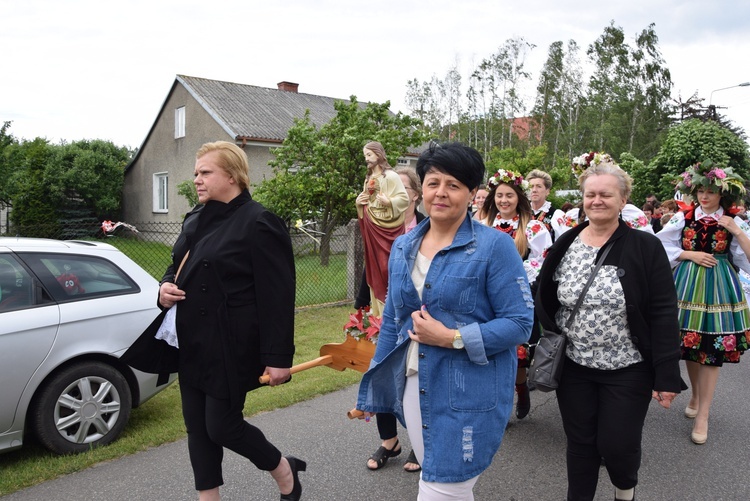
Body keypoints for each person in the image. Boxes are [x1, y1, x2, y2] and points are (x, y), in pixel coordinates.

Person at [123, 141, 305, 501]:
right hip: (191, 340)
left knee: (222, 426)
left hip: (231, 343)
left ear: (233, 175)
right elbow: (176, 267)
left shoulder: (259, 221)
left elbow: (278, 296)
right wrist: (163, 288)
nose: (197, 180)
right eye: (196, 173)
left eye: (205, 172)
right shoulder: (195, 217)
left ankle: (283, 468)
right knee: (197, 428)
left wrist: (278, 356)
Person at [356, 142, 534, 500]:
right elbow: (393, 317)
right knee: (440, 481)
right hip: (414, 384)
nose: (441, 192)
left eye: (453, 185)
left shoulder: (494, 247)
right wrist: (374, 381)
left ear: (471, 194)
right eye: (433, 182)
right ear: (421, 189)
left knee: (442, 486)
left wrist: (452, 337)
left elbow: (519, 323)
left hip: (467, 389)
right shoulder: (404, 246)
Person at [535, 154, 683, 501]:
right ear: (582, 199)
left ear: (623, 200)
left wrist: (665, 374)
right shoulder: (565, 243)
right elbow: (545, 295)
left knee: (617, 446)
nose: (597, 201)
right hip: (573, 366)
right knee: (581, 442)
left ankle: (624, 488)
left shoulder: (645, 247)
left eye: (606, 195)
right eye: (591, 194)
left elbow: (663, 310)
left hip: (628, 366)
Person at [656, 161, 750, 446]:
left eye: (711, 191)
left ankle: (703, 415)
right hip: (685, 284)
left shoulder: (732, 221)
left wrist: (736, 230)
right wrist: (688, 255)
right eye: (700, 191)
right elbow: (659, 245)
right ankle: (696, 395)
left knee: (712, 347)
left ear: (722, 194)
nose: (704, 196)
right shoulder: (683, 218)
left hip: (719, 285)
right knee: (690, 345)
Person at [365, 166, 425, 473]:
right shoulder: (376, 225)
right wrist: (363, 307)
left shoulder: (427, 230)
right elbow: (370, 263)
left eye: (398, 188)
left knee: (417, 381)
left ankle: (419, 442)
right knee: (380, 375)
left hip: (418, 321)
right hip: (385, 313)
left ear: (414, 194)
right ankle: (390, 441)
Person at [479, 168, 552, 419]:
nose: (503, 201)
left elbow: (543, 258)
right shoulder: (483, 225)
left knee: (517, 352)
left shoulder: (532, 227)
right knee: (489, 349)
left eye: (509, 195)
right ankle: (500, 406)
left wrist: (512, 272)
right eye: (499, 195)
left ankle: (521, 389)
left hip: (516, 296)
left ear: (518, 198)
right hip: (486, 296)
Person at [356, 141, 410, 317]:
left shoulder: (391, 176)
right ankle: (378, 312)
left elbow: (404, 199)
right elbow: (366, 202)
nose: (367, 159)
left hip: (388, 228)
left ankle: (391, 309)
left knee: (387, 267)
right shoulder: (369, 178)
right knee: (373, 267)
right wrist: (359, 204)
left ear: (378, 155)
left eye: (369, 155)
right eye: (365, 156)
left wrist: (390, 202)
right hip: (372, 225)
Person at [527, 169, 557, 240]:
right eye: (531, 186)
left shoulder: (555, 214)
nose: (534, 190)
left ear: (547, 191)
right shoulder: (521, 212)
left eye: (539, 186)